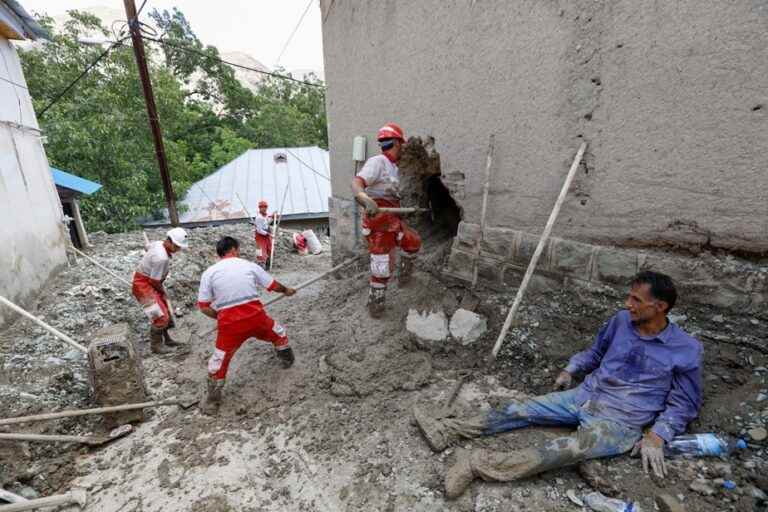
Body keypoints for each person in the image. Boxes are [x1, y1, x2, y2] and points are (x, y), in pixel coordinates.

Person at [413, 271, 703, 499]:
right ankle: (446, 430)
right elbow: (596, 353)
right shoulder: (620, 321)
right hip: (585, 395)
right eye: (629, 297)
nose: (628, 304)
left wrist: (658, 435)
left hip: (620, 422)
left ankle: (477, 465)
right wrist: (570, 369)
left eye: (637, 300)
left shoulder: (686, 349)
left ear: (661, 306)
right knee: (519, 409)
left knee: (560, 451)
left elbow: (685, 403)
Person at [197, 236, 297, 415]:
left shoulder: (209, 273)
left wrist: (220, 317)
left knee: (218, 361)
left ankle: (212, 401)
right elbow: (273, 285)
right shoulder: (248, 265)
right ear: (235, 249)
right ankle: (287, 360)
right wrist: (286, 290)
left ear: (220, 253)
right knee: (279, 333)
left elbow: (203, 307)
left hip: (229, 326)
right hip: (256, 318)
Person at [351, 122, 422, 317]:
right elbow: (357, 183)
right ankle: (376, 303)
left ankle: (404, 276)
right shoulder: (377, 162)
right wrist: (364, 198)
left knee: (413, 241)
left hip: (393, 218)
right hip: (378, 222)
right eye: (401, 146)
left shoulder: (396, 168)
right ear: (398, 143)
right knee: (382, 267)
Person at [131, 227, 188, 354]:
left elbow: (148, 247)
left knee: (165, 311)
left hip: (149, 282)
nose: (178, 250)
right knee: (159, 316)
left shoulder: (157, 244)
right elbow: (154, 281)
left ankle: (166, 340)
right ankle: (156, 346)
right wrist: (163, 292)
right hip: (143, 285)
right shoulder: (161, 258)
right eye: (177, 246)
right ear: (170, 242)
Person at [253, 200, 275, 268]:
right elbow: (259, 230)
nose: (264, 208)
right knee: (260, 251)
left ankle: (268, 263)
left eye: (265, 207)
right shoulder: (258, 218)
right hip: (260, 236)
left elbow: (267, 223)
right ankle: (261, 265)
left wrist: (272, 218)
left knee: (269, 249)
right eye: (262, 207)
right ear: (259, 208)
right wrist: (268, 234)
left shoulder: (266, 215)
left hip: (266, 235)